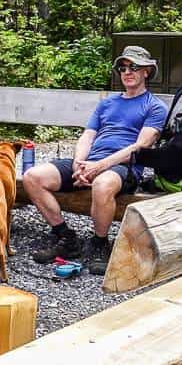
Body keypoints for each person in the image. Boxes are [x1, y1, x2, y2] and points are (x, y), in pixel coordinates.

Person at [22, 45, 168, 276]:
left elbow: (139, 148)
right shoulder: (107, 103)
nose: (127, 71)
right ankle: (66, 238)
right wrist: (79, 165)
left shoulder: (155, 106)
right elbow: (87, 136)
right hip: (90, 162)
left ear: (146, 72)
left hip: (123, 166)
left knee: (102, 185)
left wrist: (99, 167)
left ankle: (100, 243)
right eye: (123, 67)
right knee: (32, 177)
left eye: (134, 67)